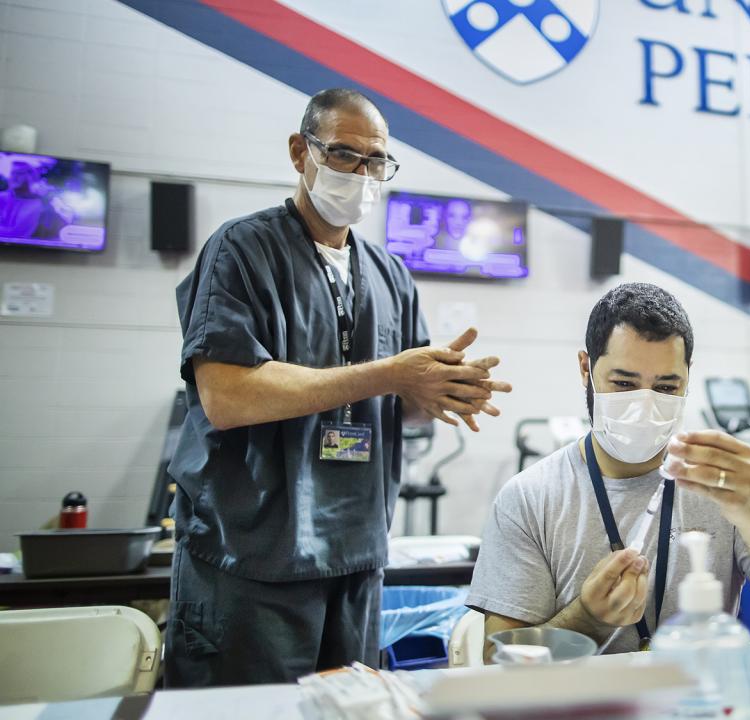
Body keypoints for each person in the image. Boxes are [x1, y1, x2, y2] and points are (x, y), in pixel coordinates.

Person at [166, 88, 512, 686]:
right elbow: (226, 398)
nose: (363, 174)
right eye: (346, 155)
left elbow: (404, 401)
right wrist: (389, 373)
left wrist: (440, 392)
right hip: (251, 557)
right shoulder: (243, 250)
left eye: (377, 161)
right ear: (302, 152)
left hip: (355, 557)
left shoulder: (390, 275)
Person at [467, 283, 750, 656]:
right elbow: (497, 659)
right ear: (586, 368)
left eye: (665, 386)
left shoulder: (726, 485)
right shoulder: (531, 499)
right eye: (624, 383)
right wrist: (587, 619)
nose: (644, 405)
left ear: (687, 378)